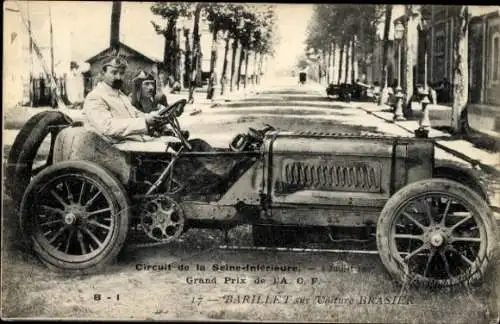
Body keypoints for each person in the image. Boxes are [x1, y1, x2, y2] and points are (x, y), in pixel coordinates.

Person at [83, 56, 169, 143]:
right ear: (102, 73)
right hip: (113, 148)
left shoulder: (120, 95)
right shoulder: (95, 97)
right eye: (114, 72)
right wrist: (145, 121)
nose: (118, 77)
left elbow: (135, 114)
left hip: (131, 141)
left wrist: (153, 116)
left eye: (121, 73)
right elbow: (107, 127)